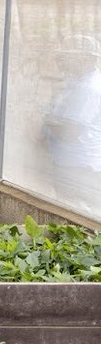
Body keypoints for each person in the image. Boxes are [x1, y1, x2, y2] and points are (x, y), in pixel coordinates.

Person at [41, 35, 101, 215]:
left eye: (68, 56)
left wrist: (44, 122)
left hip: (79, 168)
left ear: (85, 59)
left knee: (77, 215)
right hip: (70, 164)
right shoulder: (77, 81)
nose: (62, 60)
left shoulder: (89, 88)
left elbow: (71, 132)